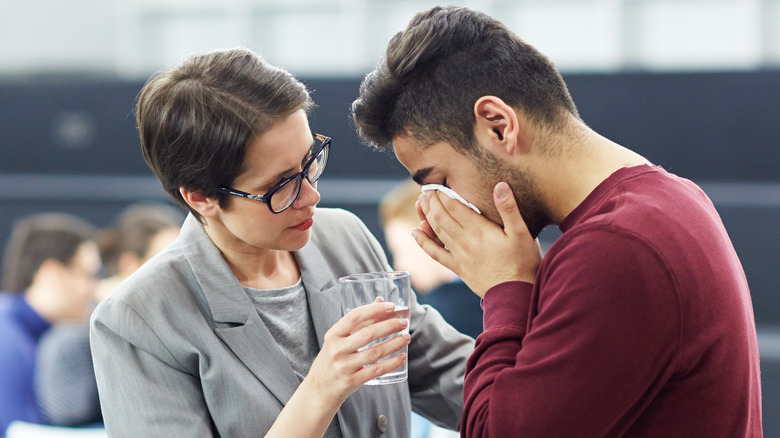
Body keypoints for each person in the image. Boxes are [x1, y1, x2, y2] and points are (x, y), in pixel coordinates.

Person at [352, 6, 762, 437]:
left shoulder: (613, 247)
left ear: (498, 126)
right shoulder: (669, 199)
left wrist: (503, 290)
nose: (438, 208)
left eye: (440, 180)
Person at [89, 47, 473, 437]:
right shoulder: (140, 320)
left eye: (310, 162)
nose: (310, 195)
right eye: (280, 185)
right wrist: (321, 389)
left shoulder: (343, 238)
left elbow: (445, 372)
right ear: (201, 197)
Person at [34, 203, 184, 428]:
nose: (181, 273)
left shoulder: (179, 327)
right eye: (167, 262)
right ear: (131, 264)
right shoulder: (74, 340)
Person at [0, 213, 101, 436]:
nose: (93, 288)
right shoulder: (7, 339)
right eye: (87, 275)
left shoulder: (36, 331)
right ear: (52, 272)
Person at [379, 179, 482, 339]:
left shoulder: (440, 315)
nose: (399, 265)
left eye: (403, 251)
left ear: (433, 234)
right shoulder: (495, 294)